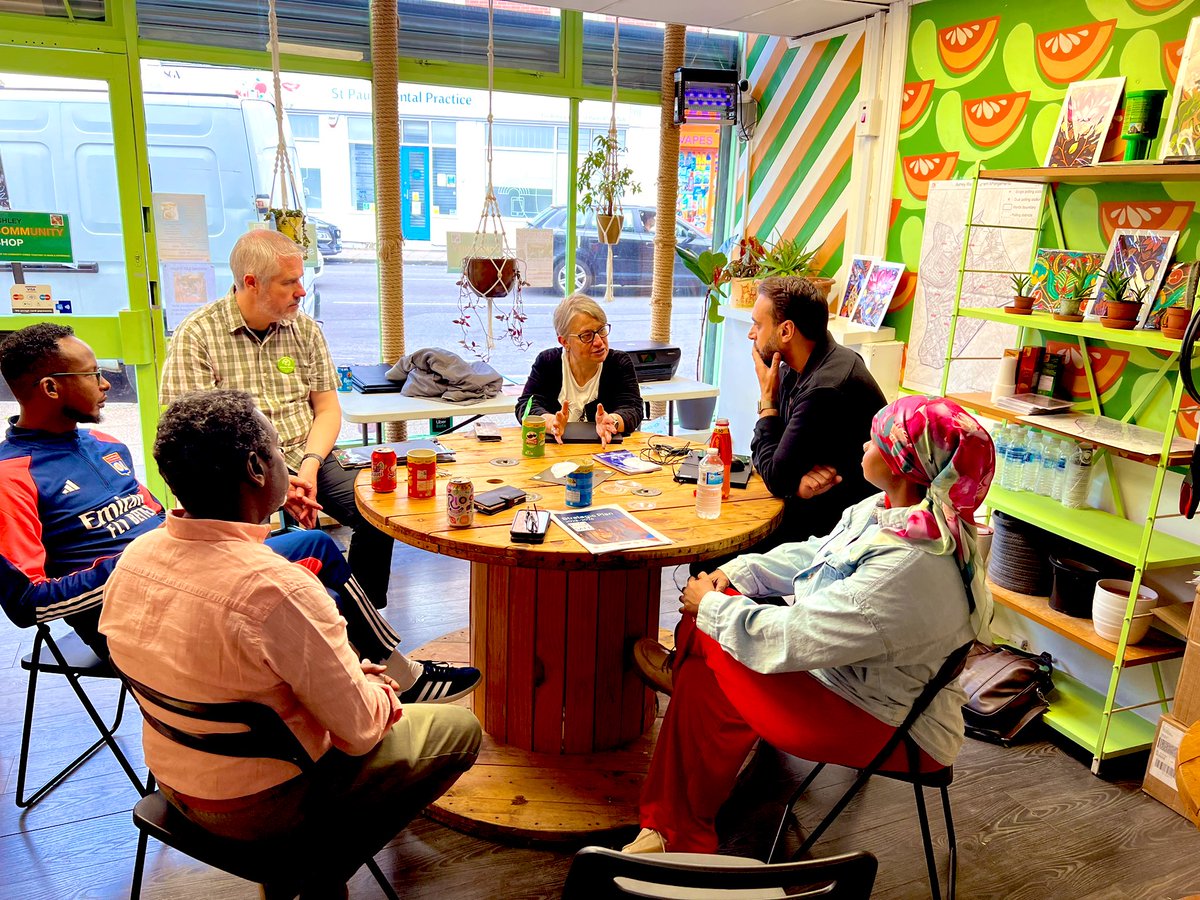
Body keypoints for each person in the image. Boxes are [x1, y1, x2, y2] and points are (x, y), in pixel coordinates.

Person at [99, 391, 482, 896]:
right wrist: (376, 691)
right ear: (258, 468)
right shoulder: (279, 589)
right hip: (264, 806)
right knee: (459, 727)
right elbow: (362, 732)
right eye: (281, 448)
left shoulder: (135, 557)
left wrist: (342, 681)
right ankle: (321, 861)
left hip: (172, 781)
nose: (288, 459)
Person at [0, 324, 476, 704]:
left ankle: (383, 678)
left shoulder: (104, 443)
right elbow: (28, 604)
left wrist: (263, 495)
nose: (106, 383)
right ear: (50, 387)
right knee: (306, 597)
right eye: (91, 374)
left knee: (316, 547)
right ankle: (358, 691)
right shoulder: (12, 476)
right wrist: (145, 559)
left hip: (191, 569)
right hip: (131, 613)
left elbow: (157, 519)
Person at [625, 395, 995, 854]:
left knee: (704, 631)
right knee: (709, 647)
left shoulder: (910, 564)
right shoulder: (895, 516)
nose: (864, 443)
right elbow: (818, 553)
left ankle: (672, 827)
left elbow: (793, 637)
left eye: (876, 439)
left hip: (885, 723)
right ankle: (673, 826)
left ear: (903, 464)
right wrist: (738, 572)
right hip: (852, 682)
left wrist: (712, 606)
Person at [159, 229, 394, 609]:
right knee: (244, 549)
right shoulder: (197, 335)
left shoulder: (304, 328)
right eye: (289, 282)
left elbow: (327, 409)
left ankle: (359, 613)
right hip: (237, 470)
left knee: (378, 508)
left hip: (307, 455)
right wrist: (278, 490)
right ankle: (271, 616)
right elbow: (193, 441)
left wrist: (311, 467)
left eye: (300, 279)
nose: (301, 291)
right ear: (251, 283)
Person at [514, 293, 643, 446]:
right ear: (564, 341)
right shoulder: (548, 362)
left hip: (604, 451)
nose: (599, 342)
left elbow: (633, 408)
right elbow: (525, 406)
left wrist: (612, 421)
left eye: (601, 330)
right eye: (587, 336)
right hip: (555, 452)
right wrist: (551, 422)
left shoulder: (619, 363)